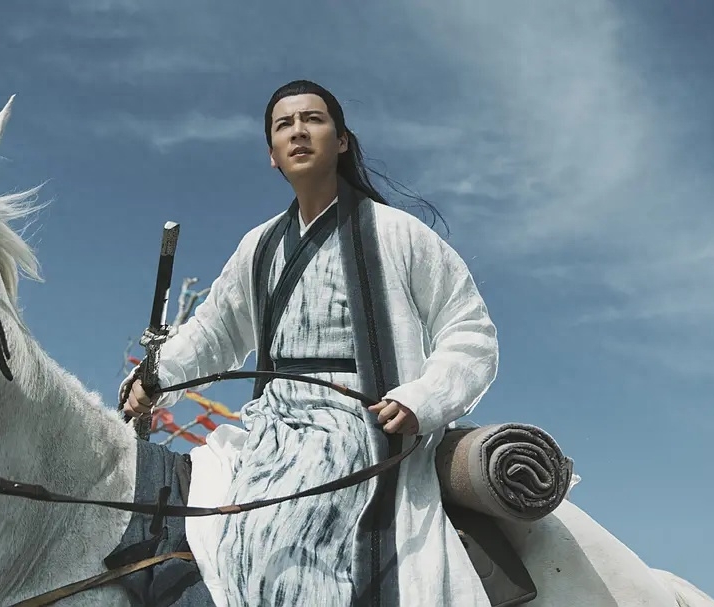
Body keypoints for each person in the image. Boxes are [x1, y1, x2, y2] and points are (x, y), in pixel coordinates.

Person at [121, 79, 498, 607]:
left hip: (362, 423)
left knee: (280, 539)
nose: (298, 131)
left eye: (313, 119)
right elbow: (215, 331)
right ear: (272, 155)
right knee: (203, 528)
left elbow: (469, 330)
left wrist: (423, 399)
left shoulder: (398, 233)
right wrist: (157, 378)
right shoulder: (259, 246)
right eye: (284, 125)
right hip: (271, 425)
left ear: (341, 140)